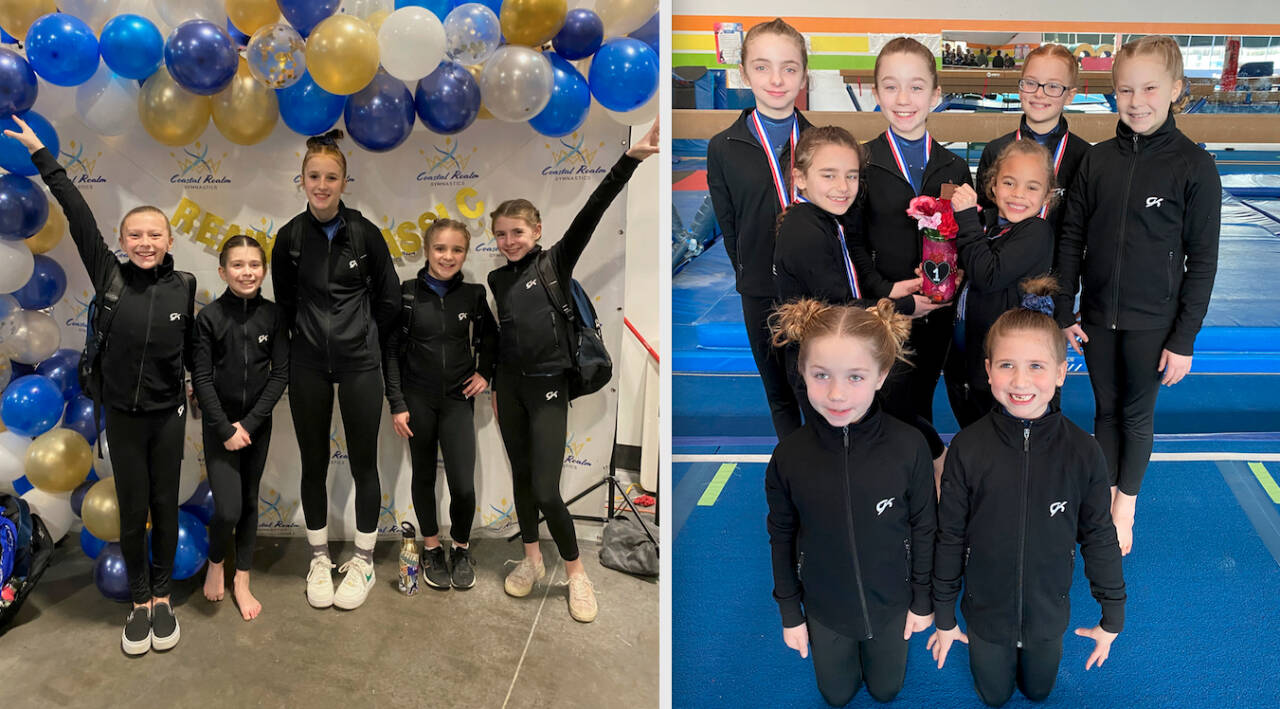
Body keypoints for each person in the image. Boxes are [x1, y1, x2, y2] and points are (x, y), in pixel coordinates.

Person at [9, 116, 195, 654]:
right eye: (135, 235)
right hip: (123, 415)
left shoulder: (185, 285)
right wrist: (44, 157)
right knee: (133, 510)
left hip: (168, 415)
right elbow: (76, 210)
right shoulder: (109, 275)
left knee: (165, 507)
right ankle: (139, 601)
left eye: (153, 235)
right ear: (120, 241)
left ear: (169, 240)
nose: (144, 243)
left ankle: (162, 598)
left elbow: (193, 351)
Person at [1054, 35, 1220, 555]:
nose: (1136, 101)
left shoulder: (1194, 165)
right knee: (1105, 410)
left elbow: (1203, 260)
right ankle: (1104, 498)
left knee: (1135, 413)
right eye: (1125, 90)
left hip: (1155, 320)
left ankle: (1126, 504)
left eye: (1149, 88)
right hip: (1100, 314)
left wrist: (1185, 337)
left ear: (1175, 89)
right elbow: (1073, 238)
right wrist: (1064, 310)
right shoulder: (1097, 161)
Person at [488, 120, 660, 622]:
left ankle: (577, 574)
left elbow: (592, 211)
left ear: (536, 231)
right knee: (522, 481)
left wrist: (631, 160)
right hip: (510, 390)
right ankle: (531, 559)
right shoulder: (497, 279)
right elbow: (504, 341)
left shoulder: (555, 264)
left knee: (545, 489)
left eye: (516, 233)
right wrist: (495, 385)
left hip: (548, 392)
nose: (508, 241)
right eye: (500, 235)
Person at [928, 279, 1126, 706]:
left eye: (1036, 366)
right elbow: (949, 535)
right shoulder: (969, 447)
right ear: (987, 369)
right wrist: (944, 614)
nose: (1020, 381)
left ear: (1060, 373)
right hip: (985, 616)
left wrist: (1113, 613)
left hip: (1047, 615)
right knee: (993, 696)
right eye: (1006, 365)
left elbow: (1098, 536)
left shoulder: (1082, 450)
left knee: (1038, 692)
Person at [765, 298, 936, 706]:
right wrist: (791, 612)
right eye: (821, 375)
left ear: (881, 375)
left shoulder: (908, 447)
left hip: (892, 603)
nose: (837, 394)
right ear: (802, 373)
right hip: (826, 608)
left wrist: (922, 600)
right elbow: (781, 535)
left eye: (855, 377)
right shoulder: (789, 457)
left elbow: (925, 527)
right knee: (836, 696)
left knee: (887, 689)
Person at [272, 130, 401, 610]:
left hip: (360, 365)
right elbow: (285, 306)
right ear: (301, 180)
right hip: (307, 365)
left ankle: (364, 559)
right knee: (313, 463)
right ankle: (320, 556)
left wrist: (360, 337)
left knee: (365, 461)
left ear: (346, 181)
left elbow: (388, 302)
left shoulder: (365, 234)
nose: (321, 185)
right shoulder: (288, 238)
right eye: (313, 177)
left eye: (331, 177)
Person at [772, 124, 943, 450]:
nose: (842, 187)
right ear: (800, 178)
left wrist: (889, 291)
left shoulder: (824, 218)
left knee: (900, 420)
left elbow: (846, 286)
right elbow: (839, 307)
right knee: (848, 444)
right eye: (829, 175)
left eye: (851, 176)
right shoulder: (804, 232)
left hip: (840, 351)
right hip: (821, 363)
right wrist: (907, 308)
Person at [851, 37, 972, 468]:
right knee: (885, 399)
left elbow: (961, 240)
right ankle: (933, 463)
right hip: (884, 308)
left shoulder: (953, 167)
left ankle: (918, 483)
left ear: (936, 95)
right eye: (891, 87)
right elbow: (855, 245)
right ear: (875, 92)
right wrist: (888, 294)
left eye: (916, 87)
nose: (904, 100)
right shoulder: (862, 162)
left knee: (919, 397)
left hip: (936, 309)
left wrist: (954, 280)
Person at [706, 18, 813, 439]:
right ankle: (795, 474)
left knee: (818, 390)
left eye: (789, 68)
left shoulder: (824, 142)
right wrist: (753, 276)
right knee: (781, 396)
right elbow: (729, 227)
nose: (776, 79)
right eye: (763, 66)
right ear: (744, 71)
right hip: (761, 292)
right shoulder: (723, 148)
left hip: (817, 288)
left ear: (804, 75)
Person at [384, 219, 497, 591]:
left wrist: (484, 372)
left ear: (465, 253)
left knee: (463, 485)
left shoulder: (475, 295)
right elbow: (392, 353)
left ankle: (461, 548)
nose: (448, 257)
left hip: (456, 401)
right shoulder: (407, 294)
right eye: (440, 249)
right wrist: (397, 402)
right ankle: (431, 547)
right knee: (423, 476)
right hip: (417, 399)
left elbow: (492, 341)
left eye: (457, 250)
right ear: (427, 250)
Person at [193, 235, 289, 621]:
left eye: (254, 265)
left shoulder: (275, 315)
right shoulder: (209, 318)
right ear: (222, 271)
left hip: (257, 425)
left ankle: (242, 578)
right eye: (237, 265)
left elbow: (280, 373)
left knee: (250, 502)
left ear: (263, 270)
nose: (246, 272)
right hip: (219, 427)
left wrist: (249, 424)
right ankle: (217, 561)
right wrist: (225, 428)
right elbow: (200, 378)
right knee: (228, 507)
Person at [950, 140, 1056, 425]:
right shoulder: (991, 225)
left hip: (1005, 366)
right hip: (969, 357)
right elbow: (974, 269)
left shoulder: (1036, 231)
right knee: (974, 434)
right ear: (993, 185)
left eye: (1032, 187)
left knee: (1003, 440)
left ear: (1047, 197)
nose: (1018, 194)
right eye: (1009, 183)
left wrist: (966, 219)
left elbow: (988, 275)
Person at [976, 43, 1090, 247]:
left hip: (1055, 273)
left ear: (1070, 95)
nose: (1039, 93)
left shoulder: (1084, 157)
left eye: (1053, 86)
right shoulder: (995, 151)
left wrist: (1065, 279)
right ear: (1019, 88)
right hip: (1000, 268)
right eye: (1031, 83)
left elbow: (1078, 230)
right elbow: (983, 218)